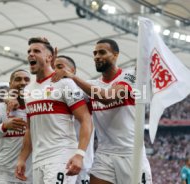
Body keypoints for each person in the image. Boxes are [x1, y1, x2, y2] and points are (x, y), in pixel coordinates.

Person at [52, 39, 152, 184]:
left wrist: (73, 77)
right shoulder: (91, 86)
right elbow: (56, 96)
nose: (97, 56)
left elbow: (107, 97)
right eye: (95, 53)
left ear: (116, 55)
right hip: (104, 154)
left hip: (131, 153)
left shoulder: (130, 76)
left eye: (102, 52)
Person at [15, 37, 92, 184]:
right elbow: (30, 129)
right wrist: (22, 158)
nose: (31, 54)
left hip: (61, 156)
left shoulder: (65, 83)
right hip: (38, 161)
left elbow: (85, 119)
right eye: (29, 51)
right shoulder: (28, 90)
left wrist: (80, 154)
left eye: (36, 51)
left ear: (49, 57)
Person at [0, 69, 32, 184]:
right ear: (10, 84)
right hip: (1, 175)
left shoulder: (36, 108)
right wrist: (5, 126)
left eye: (27, 80)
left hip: (28, 177)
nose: (23, 82)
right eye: (18, 79)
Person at [54, 55, 95, 184]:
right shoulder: (48, 94)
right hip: (57, 161)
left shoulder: (84, 91)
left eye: (60, 67)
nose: (56, 71)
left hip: (82, 162)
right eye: (53, 67)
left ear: (72, 70)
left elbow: (105, 94)